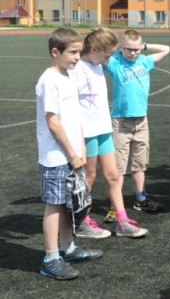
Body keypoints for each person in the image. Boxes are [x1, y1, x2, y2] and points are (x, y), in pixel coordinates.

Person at [36, 28, 103, 280]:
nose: (77, 57)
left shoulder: (69, 75)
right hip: (56, 156)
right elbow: (53, 122)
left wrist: (81, 147)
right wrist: (72, 153)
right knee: (54, 205)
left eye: (79, 51)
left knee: (67, 204)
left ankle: (68, 248)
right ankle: (51, 258)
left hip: (73, 153)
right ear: (56, 52)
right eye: (73, 52)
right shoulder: (48, 80)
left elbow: (75, 117)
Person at [74, 28, 147, 239]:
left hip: (104, 129)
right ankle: (81, 221)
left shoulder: (97, 65)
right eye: (107, 54)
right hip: (87, 132)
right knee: (89, 176)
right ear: (94, 49)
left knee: (114, 175)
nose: (109, 59)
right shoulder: (76, 68)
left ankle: (122, 222)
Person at [104, 30, 170, 223]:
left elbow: (166, 49)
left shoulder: (145, 61)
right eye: (128, 49)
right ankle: (115, 206)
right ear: (120, 48)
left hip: (141, 121)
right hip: (120, 121)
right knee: (118, 166)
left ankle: (140, 199)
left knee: (140, 163)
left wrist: (144, 46)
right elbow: (101, 53)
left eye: (136, 49)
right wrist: (116, 48)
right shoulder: (115, 62)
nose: (133, 53)